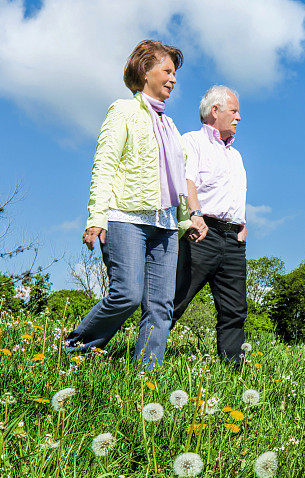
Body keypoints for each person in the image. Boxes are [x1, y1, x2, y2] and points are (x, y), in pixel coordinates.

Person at [65, 40, 206, 367]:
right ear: (145, 71)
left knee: (160, 305)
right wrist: (96, 217)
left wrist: (187, 219)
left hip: (165, 226)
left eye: (175, 73)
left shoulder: (170, 126)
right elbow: (105, 164)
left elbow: (177, 178)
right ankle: (72, 350)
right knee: (126, 294)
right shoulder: (123, 110)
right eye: (167, 71)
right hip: (125, 218)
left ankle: (146, 377)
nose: (173, 79)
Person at [173, 85, 247, 364]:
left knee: (235, 308)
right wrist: (195, 214)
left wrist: (243, 224)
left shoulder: (236, 156)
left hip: (233, 240)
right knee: (176, 299)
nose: (239, 117)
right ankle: (145, 358)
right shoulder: (192, 141)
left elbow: (235, 195)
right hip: (202, 233)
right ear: (214, 111)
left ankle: (233, 370)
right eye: (234, 110)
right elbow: (187, 180)